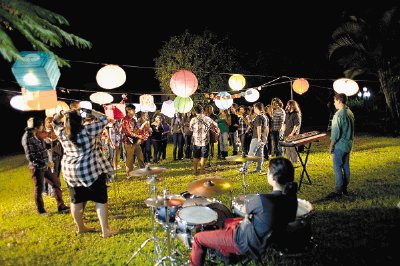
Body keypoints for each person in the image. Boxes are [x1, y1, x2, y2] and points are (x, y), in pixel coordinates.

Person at [190, 157, 298, 266]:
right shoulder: (292, 198)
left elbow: (246, 209)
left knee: (198, 238)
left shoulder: (263, 200)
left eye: (268, 171)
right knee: (228, 222)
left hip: (245, 242)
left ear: (273, 177)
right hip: (264, 241)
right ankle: (227, 255)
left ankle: (224, 254)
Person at [53, 109, 118, 238]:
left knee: (76, 201)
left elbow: (55, 121)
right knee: (100, 200)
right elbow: (106, 119)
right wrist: (89, 111)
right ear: (81, 120)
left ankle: (81, 227)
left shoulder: (61, 131)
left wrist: (62, 113)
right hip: (90, 169)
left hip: (70, 171)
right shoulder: (88, 130)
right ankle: (105, 230)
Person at [21, 117, 70, 216]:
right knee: (39, 188)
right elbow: (31, 156)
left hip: (45, 165)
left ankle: (61, 206)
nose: (43, 127)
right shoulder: (27, 138)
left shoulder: (37, 135)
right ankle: (41, 211)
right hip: (36, 167)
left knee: (56, 182)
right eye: (41, 125)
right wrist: (46, 162)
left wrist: (54, 143)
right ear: (37, 127)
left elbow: (44, 148)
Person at [327, 93, 355, 198]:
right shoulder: (350, 112)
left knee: (337, 167)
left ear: (339, 101)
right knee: (346, 166)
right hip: (348, 144)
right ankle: (345, 188)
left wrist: (331, 146)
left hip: (340, 145)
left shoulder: (338, 114)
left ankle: (338, 191)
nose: (334, 103)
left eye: (334, 101)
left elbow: (335, 134)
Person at [239, 102, 268, 174]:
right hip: (263, 138)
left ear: (256, 108)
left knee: (251, 154)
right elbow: (266, 128)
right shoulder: (264, 116)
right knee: (260, 154)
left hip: (257, 138)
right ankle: (258, 169)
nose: (253, 109)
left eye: (254, 107)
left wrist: (258, 137)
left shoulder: (258, 117)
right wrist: (265, 137)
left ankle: (244, 169)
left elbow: (259, 127)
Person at [190, 104, 218, 175]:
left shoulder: (193, 119)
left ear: (195, 111)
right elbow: (215, 125)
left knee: (195, 156)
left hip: (196, 141)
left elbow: (190, 129)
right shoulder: (207, 118)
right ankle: (202, 170)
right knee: (203, 156)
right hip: (204, 140)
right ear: (202, 110)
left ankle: (195, 170)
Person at [121, 104, 145, 175]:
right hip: (128, 142)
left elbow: (137, 129)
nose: (134, 111)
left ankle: (143, 171)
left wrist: (140, 134)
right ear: (128, 110)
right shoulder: (125, 120)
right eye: (133, 110)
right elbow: (128, 132)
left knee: (140, 156)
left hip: (135, 141)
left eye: (134, 110)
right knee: (130, 159)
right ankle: (129, 174)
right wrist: (138, 136)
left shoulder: (134, 120)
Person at [283, 100, 302, 164]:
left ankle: (295, 161)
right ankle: (289, 161)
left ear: (293, 105)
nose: (287, 106)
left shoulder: (296, 114)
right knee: (287, 149)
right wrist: (283, 131)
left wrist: (292, 133)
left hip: (293, 135)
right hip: (286, 134)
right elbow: (285, 123)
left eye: (289, 105)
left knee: (293, 149)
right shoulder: (287, 114)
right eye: (287, 104)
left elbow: (296, 125)